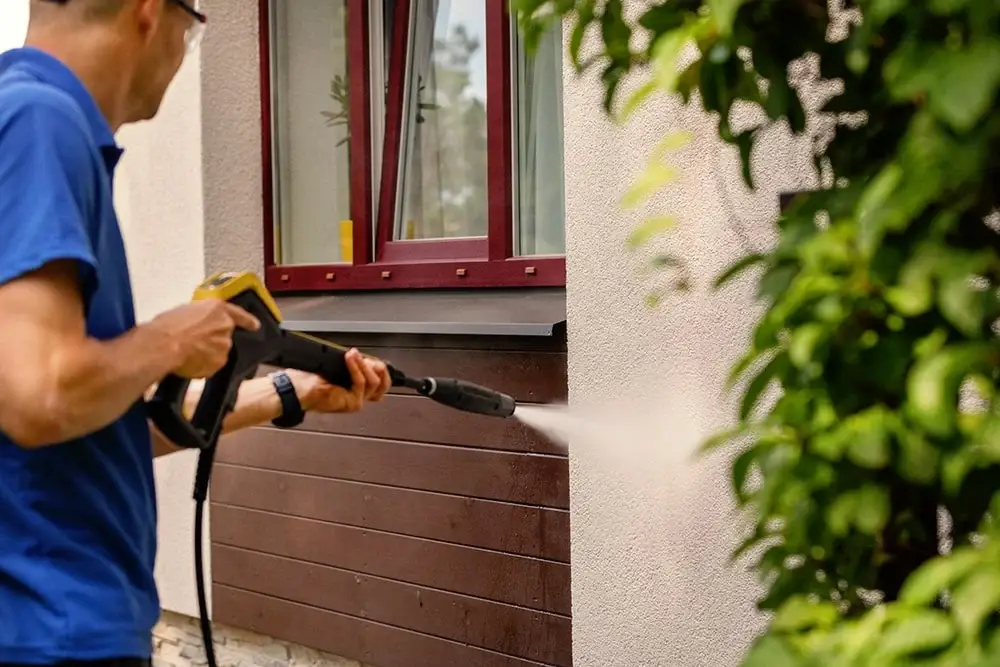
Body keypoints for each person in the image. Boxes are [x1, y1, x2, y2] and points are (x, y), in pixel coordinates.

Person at [0, 1, 393, 665]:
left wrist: (286, 392)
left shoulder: (34, 125)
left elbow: (93, 418)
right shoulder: (40, 123)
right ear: (150, 11)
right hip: (51, 630)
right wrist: (169, 338)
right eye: (194, 26)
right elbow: (39, 398)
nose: (186, 52)